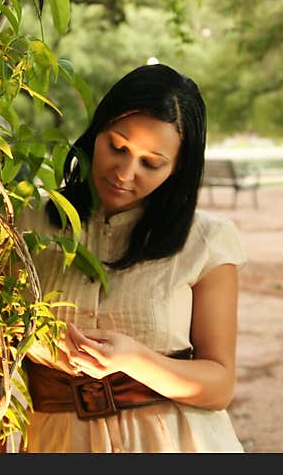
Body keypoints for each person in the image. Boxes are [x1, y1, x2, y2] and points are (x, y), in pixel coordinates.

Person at [15, 62, 247, 453]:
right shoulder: (25, 222)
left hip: (174, 442)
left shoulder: (206, 241)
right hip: (57, 442)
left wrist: (135, 360)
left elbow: (219, 385)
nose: (124, 172)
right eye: (117, 147)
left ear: (177, 170)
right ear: (95, 133)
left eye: (150, 163)